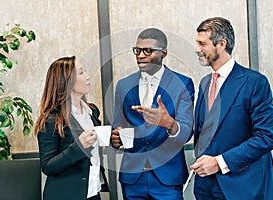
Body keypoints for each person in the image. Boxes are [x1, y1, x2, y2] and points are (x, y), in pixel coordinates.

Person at [189, 17, 273, 200]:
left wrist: (219, 162)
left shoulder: (255, 82)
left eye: (202, 43)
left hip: (243, 186)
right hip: (206, 187)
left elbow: (266, 137)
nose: (197, 49)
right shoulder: (205, 83)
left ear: (221, 44)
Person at [111, 28, 195, 199]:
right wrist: (115, 138)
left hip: (168, 178)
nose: (141, 55)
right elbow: (118, 125)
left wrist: (169, 124)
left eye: (148, 50)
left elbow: (186, 132)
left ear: (163, 53)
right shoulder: (123, 85)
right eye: (137, 50)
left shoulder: (183, 83)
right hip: (132, 178)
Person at [35, 56, 108, 200]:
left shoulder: (92, 111)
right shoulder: (50, 121)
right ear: (66, 81)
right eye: (81, 73)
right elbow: (48, 167)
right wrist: (79, 147)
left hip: (93, 192)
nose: (87, 77)